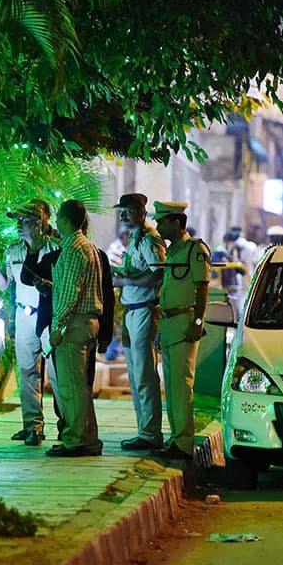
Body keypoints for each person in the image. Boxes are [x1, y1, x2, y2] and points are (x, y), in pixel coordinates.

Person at [0, 199, 60, 446]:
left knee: (58, 373)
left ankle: (67, 425)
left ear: (40, 222)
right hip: (24, 314)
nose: (19, 225)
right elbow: (6, 285)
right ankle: (32, 426)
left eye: (24, 220)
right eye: (17, 220)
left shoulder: (56, 248)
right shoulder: (13, 250)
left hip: (49, 314)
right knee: (27, 370)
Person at [45, 199, 104, 457]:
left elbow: (70, 294)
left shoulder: (72, 250)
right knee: (80, 385)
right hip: (89, 322)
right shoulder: (88, 246)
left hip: (74, 324)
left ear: (67, 220)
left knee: (71, 387)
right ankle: (88, 438)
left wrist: (57, 327)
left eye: (58, 218)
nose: (56, 222)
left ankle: (75, 440)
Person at [153, 201, 211, 460]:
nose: (158, 225)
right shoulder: (174, 251)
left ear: (176, 223)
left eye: (162, 221)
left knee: (182, 386)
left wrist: (198, 323)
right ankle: (176, 439)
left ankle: (184, 444)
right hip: (168, 324)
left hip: (185, 323)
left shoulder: (194, 250)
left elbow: (203, 289)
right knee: (172, 387)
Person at [111, 193, 166, 452]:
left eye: (128, 210)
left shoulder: (148, 239)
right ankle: (144, 430)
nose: (123, 215)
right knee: (135, 374)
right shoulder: (134, 238)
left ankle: (151, 433)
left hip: (144, 310)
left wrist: (125, 281)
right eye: (121, 210)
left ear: (142, 213)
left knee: (144, 373)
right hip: (132, 311)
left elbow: (158, 275)